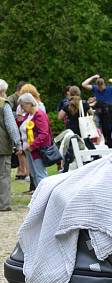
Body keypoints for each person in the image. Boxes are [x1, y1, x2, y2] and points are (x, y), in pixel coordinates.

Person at [16, 92, 51, 191]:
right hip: (29, 150)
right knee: (34, 174)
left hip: (37, 150)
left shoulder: (39, 115)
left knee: (40, 175)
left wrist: (32, 146)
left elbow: (44, 134)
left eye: (22, 106)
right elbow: (22, 127)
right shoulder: (28, 115)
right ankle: (39, 196)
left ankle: (45, 196)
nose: (22, 108)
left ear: (29, 103)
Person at [0, 79, 23, 211]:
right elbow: (11, 126)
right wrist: (18, 144)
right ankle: (3, 204)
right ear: (2, 91)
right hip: (2, 146)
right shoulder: (4, 104)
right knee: (3, 175)